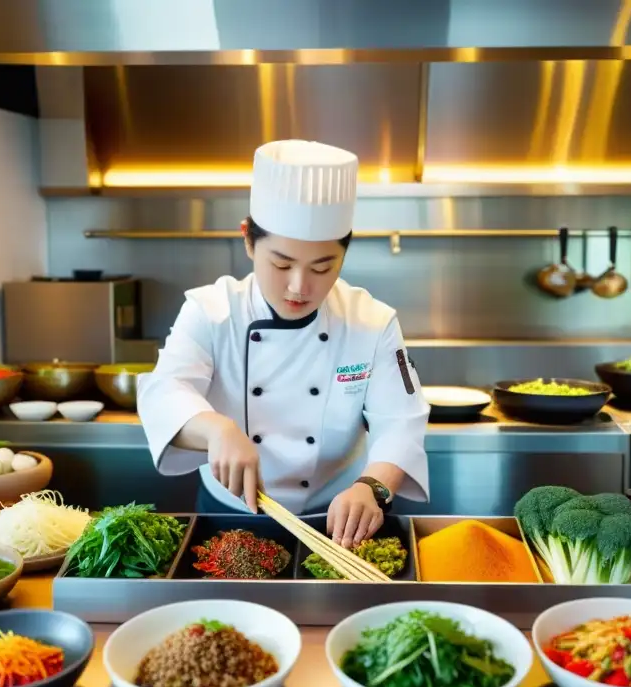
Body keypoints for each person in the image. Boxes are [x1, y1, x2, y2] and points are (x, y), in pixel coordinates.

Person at [138, 139, 429, 547]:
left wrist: (373, 488)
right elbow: (164, 391)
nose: (299, 286)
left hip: (341, 518)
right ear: (248, 239)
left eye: (322, 267)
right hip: (229, 514)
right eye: (281, 263)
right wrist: (216, 429)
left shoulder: (372, 321)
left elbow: (402, 421)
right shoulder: (210, 310)